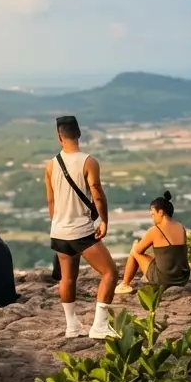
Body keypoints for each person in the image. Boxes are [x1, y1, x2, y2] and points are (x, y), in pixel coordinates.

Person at [45, 114, 118, 340]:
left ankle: (72, 326)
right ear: (79, 133)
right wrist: (104, 220)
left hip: (59, 230)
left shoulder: (51, 165)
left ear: (59, 136)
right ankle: (99, 325)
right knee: (110, 273)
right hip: (81, 231)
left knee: (68, 278)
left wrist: (59, 222)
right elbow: (96, 192)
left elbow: (51, 202)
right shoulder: (88, 161)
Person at [118, 191, 190, 293]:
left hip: (164, 280)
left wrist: (135, 245)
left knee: (134, 250)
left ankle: (124, 285)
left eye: (153, 214)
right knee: (156, 254)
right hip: (182, 278)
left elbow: (138, 250)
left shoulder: (155, 230)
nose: (152, 217)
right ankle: (143, 277)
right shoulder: (181, 227)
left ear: (160, 212)